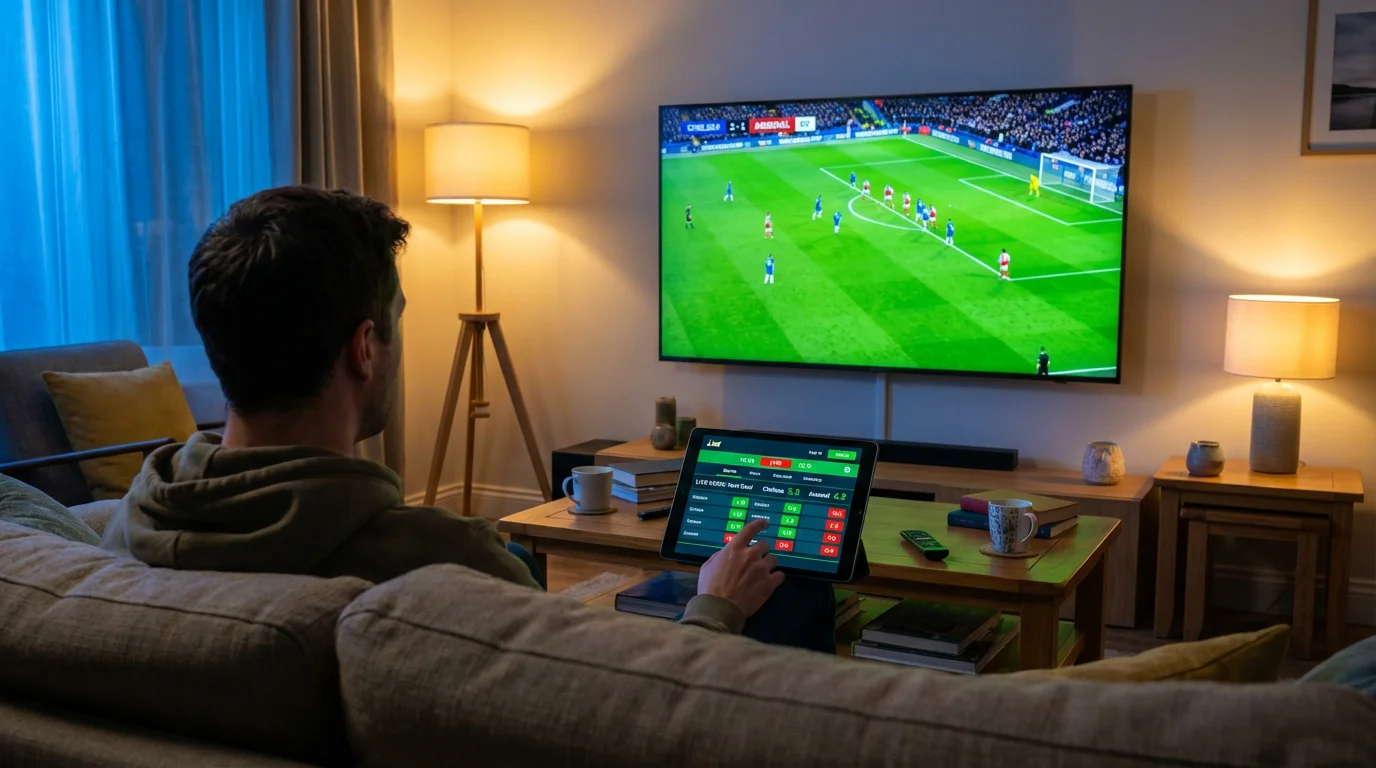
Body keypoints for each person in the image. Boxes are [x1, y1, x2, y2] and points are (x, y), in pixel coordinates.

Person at [101, 186, 831, 650]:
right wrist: (714, 609)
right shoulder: (446, 563)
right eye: (398, 321)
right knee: (792, 595)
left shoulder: (126, 531)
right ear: (364, 348)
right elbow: (627, 716)